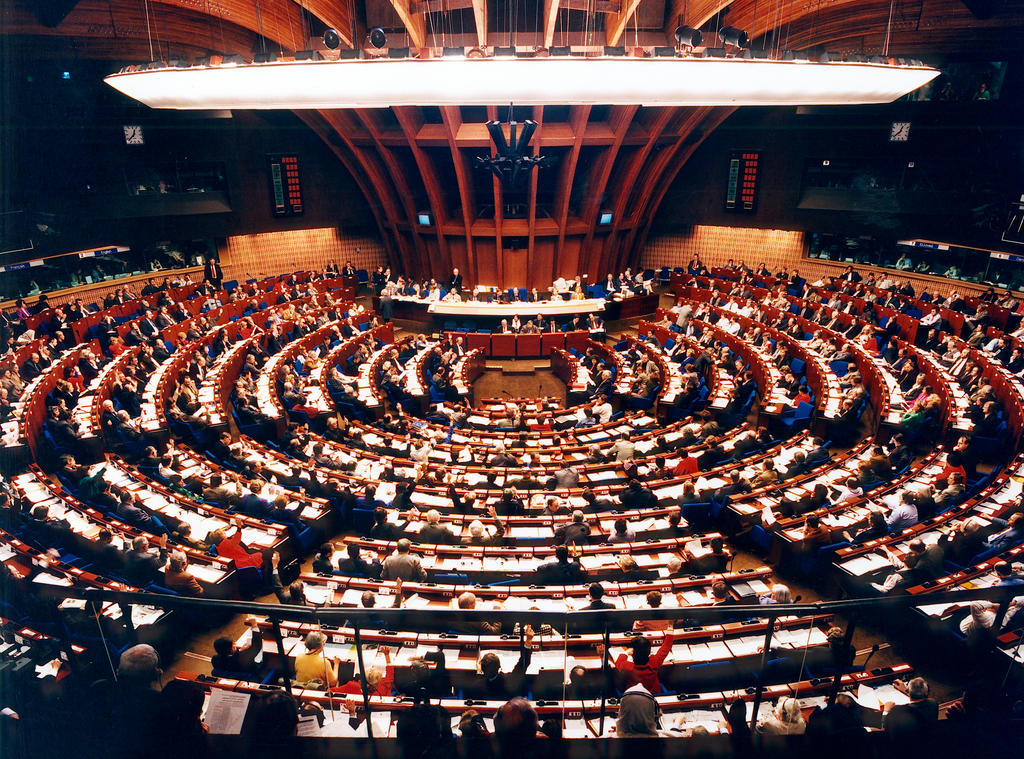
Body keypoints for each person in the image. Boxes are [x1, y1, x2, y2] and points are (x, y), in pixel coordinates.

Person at [601, 633, 675, 694]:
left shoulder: (627, 667)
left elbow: (618, 662)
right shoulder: (654, 662)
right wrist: (670, 631)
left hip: (633, 696)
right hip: (653, 696)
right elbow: (665, 648)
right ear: (649, 652)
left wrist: (626, 652)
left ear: (633, 653)